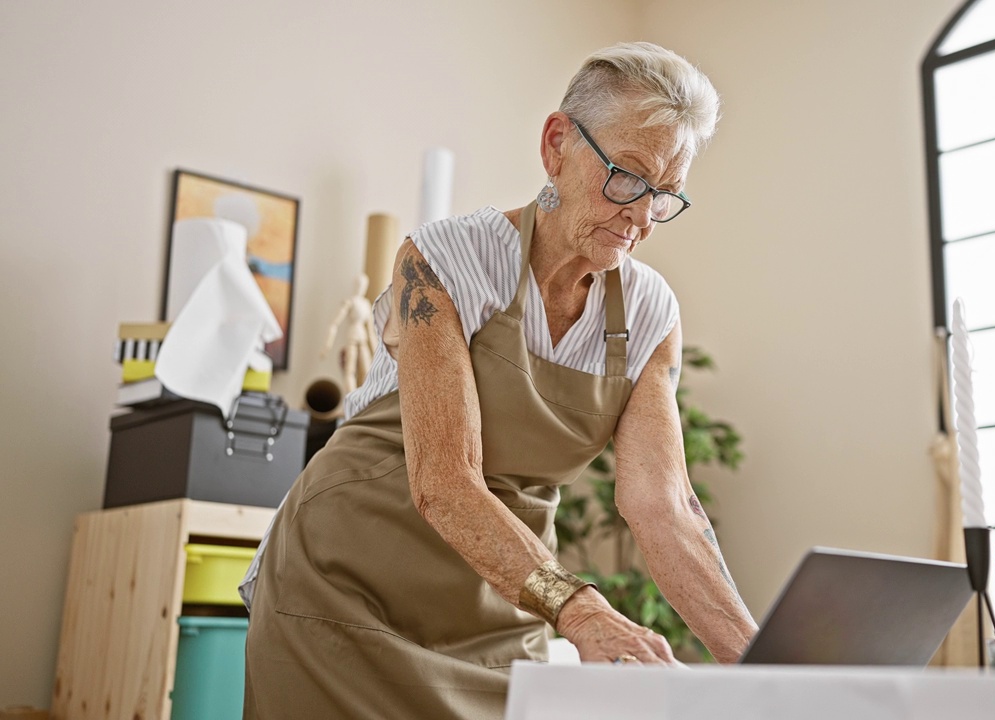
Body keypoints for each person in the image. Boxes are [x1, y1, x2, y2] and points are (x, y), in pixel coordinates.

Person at [242, 41, 757, 719]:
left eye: (664, 194)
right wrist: (578, 607)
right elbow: (446, 481)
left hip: (494, 607)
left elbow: (663, 507)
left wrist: (768, 668)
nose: (640, 215)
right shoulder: (447, 257)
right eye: (627, 177)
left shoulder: (650, 313)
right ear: (556, 146)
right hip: (342, 589)